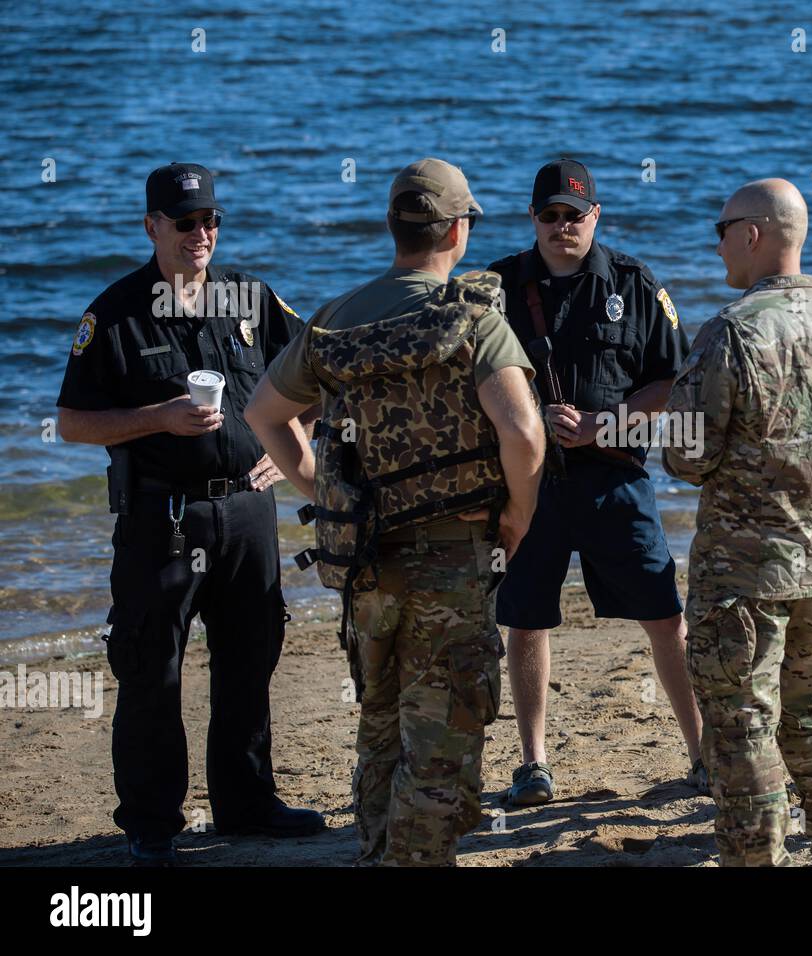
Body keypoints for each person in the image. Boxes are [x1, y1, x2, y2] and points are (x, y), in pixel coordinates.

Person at [246, 159, 546, 866]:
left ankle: (378, 851)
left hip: (364, 567)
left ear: (394, 227)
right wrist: (520, 516)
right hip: (452, 557)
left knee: (381, 723)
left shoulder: (337, 319)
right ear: (457, 229)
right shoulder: (473, 317)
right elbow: (524, 432)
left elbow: (264, 413)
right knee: (441, 737)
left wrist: (324, 491)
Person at [55, 162, 322, 865]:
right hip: (162, 522)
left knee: (251, 658)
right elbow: (73, 424)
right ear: (152, 227)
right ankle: (150, 821)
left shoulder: (251, 297)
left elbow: (317, 373)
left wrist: (290, 451)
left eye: (210, 220)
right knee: (153, 669)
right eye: (184, 222)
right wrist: (160, 418)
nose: (200, 233)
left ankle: (248, 803)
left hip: (248, 511)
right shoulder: (113, 315)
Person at [664, 179, 812, 866]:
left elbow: (685, 455)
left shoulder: (732, 333)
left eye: (722, 227)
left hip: (740, 578)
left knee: (740, 730)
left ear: (753, 234)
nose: (716, 242)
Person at [488, 159, 704, 806]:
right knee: (525, 622)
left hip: (616, 481)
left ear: (596, 216)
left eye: (574, 215)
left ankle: (704, 755)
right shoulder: (495, 287)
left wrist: (605, 425)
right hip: (530, 485)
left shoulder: (635, 283)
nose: (562, 227)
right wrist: (529, 417)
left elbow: (671, 381)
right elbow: (468, 382)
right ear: (533, 219)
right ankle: (533, 764)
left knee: (666, 616)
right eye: (549, 215)